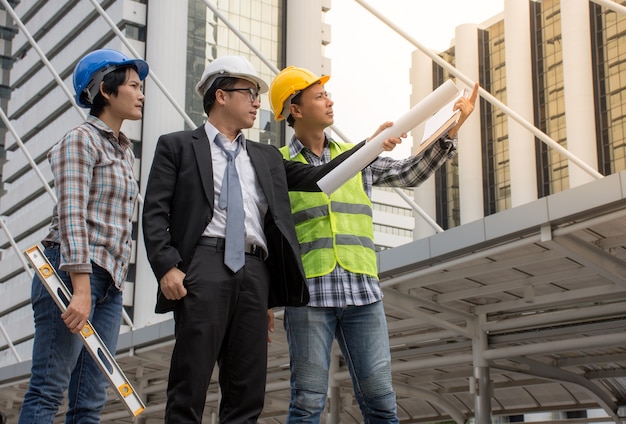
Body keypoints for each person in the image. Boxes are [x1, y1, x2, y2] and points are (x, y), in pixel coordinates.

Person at [141, 55, 401, 424]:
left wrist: (371, 146)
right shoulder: (178, 146)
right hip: (203, 267)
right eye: (248, 92)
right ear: (220, 96)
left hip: (254, 274)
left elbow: (320, 176)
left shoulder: (265, 156)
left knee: (247, 390)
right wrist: (167, 266)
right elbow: (154, 213)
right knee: (190, 381)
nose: (257, 101)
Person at [269, 66, 478, 423]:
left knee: (381, 402)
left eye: (327, 94)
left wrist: (452, 128)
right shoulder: (277, 165)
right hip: (308, 298)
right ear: (295, 109)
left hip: (362, 293)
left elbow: (409, 173)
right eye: (319, 96)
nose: (330, 101)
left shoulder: (358, 155)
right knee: (306, 403)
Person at [18, 49, 149, 423]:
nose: (141, 94)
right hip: (72, 274)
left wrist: (106, 288)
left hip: (107, 284)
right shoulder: (81, 140)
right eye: (134, 86)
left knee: (90, 400)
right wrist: (81, 287)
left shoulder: (123, 152)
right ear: (106, 91)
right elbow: (72, 214)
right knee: (47, 389)